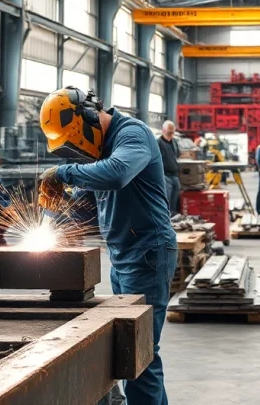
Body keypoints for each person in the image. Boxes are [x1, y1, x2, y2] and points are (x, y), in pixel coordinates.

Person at [38, 87, 176, 405]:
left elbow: (117, 175)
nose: (76, 152)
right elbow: (88, 205)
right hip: (124, 256)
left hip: (148, 255)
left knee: (140, 355)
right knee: (132, 349)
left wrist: (63, 173)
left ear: (87, 117)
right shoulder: (101, 153)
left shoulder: (132, 135)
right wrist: (56, 213)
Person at [158, 120, 181, 216]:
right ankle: (165, 215)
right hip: (164, 174)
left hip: (174, 174)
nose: (171, 134)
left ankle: (173, 214)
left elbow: (178, 154)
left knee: (176, 193)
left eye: (172, 132)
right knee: (167, 195)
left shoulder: (174, 142)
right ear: (163, 130)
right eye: (169, 132)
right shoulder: (158, 143)